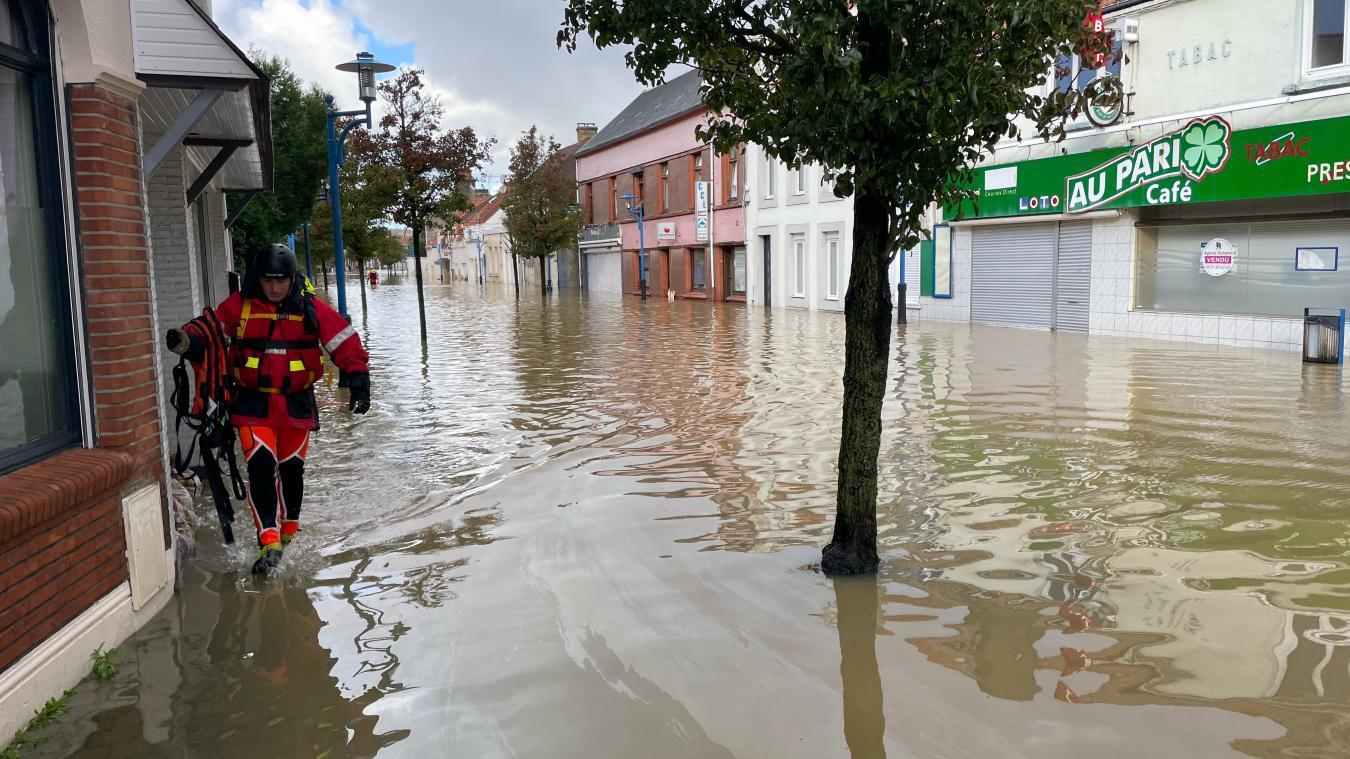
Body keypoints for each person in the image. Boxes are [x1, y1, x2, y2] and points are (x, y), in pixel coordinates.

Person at [167, 244, 371, 574]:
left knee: (292, 471)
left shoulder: (310, 308)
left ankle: (289, 530)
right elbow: (211, 328)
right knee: (260, 467)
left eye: (281, 281)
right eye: (268, 281)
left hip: (296, 402)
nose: (275, 288)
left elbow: (343, 340)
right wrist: (188, 341)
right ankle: (269, 541)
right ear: (257, 279)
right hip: (253, 402)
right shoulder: (240, 306)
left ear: (292, 279)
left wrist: (359, 378)